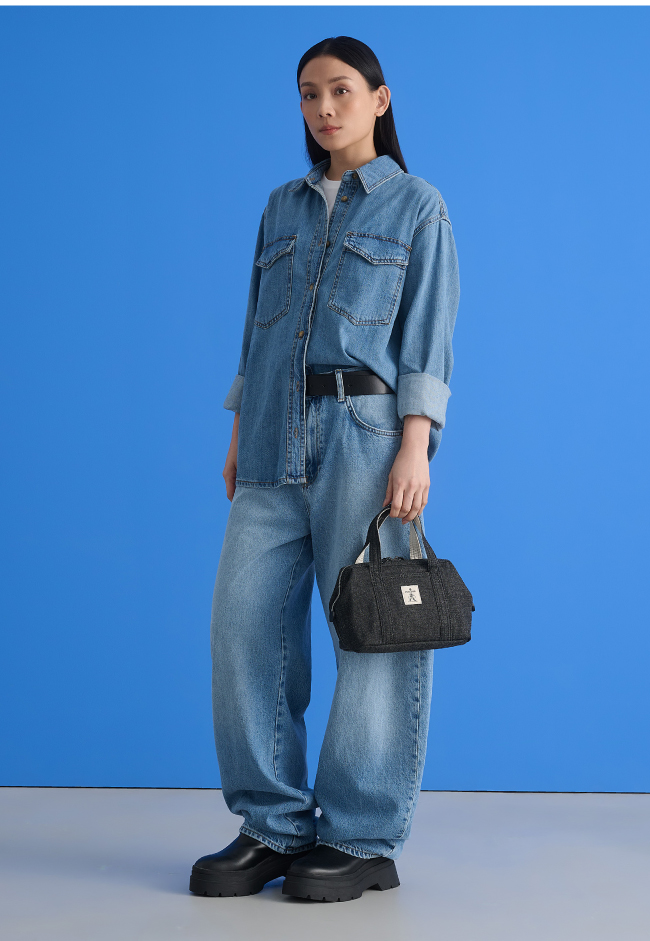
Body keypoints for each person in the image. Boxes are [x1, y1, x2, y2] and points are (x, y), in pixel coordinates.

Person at [190, 35, 460, 903]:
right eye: (309, 94)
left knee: (373, 630)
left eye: (341, 90)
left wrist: (415, 443)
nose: (323, 108)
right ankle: (272, 823)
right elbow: (256, 328)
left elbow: (427, 335)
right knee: (244, 628)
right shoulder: (281, 207)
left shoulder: (417, 205)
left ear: (380, 98)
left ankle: (362, 836)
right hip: (272, 433)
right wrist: (240, 429)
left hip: (366, 437)